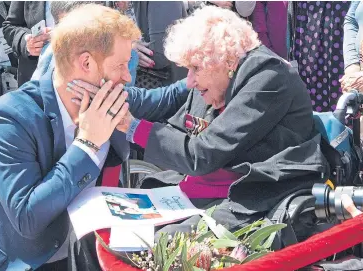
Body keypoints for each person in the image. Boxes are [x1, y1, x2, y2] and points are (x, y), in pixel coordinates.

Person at [69, 6, 329, 269]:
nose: (189, 81)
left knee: (145, 245)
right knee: (97, 229)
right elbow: (179, 130)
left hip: (256, 194)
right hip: (202, 189)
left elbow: (202, 154)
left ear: (225, 61)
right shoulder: (213, 78)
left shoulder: (268, 76)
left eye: (194, 69)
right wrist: (108, 97)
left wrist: (130, 125)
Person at [0, 4, 139, 271]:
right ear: (86, 63)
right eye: (121, 65)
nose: (127, 76)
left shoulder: (107, 101)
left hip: (81, 254)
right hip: (19, 263)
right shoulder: (11, 116)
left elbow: (166, 101)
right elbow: (27, 217)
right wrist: (87, 144)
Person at [289, 1, 351, 112]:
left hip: (339, 19)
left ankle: (342, 121)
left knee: (340, 80)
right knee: (309, 72)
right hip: (310, 19)